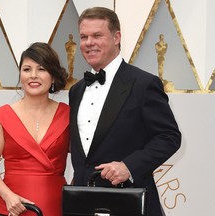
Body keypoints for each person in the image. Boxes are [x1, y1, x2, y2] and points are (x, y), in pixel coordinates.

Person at [69, 7, 181, 216]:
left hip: (129, 202)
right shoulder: (76, 91)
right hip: (84, 205)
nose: (89, 43)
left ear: (117, 37)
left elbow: (169, 137)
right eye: (84, 37)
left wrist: (128, 166)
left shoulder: (144, 84)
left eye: (97, 35)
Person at [0, 42, 69, 216]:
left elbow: (84, 159)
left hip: (56, 206)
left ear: (53, 76)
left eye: (42, 69)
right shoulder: (2, 117)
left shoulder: (68, 115)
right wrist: (8, 196)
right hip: (14, 208)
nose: (33, 76)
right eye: (27, 69)